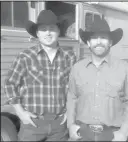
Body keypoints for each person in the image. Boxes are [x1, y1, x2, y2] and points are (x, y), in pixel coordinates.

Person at [4, 10, 76, 141]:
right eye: (43, 29)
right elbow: (10, 84)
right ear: (37, 33)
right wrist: (20, 112)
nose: (48, 33)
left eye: (52, 29)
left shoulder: (69, 57)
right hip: (33, 124)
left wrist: (70, 111)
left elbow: (74, 88)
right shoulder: (25, 56)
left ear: (58, 31)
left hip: (59, 125)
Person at [66, 15, 128, 141]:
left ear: (110, 42)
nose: (99, 41)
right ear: (88, 43)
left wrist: (124, 132)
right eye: (94, 38)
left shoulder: (124, 68)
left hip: (112, 135)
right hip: (82, 133)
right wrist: (70, 125)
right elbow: (71, 97)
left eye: (103, 37)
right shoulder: (77, 68)